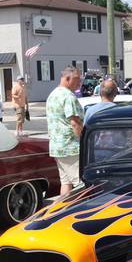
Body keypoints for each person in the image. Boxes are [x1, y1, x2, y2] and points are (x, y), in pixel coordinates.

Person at [46, 66, 84, 198]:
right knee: (83, 184)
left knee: (65, 182)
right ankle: (84, 213)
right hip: (71, 147)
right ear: (67, 78)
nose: (79, 83)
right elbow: (74, 122)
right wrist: (84, 141)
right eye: (77, 79)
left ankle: (62, 211)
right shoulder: (68, 96)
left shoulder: (52, 95)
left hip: (57, 147)